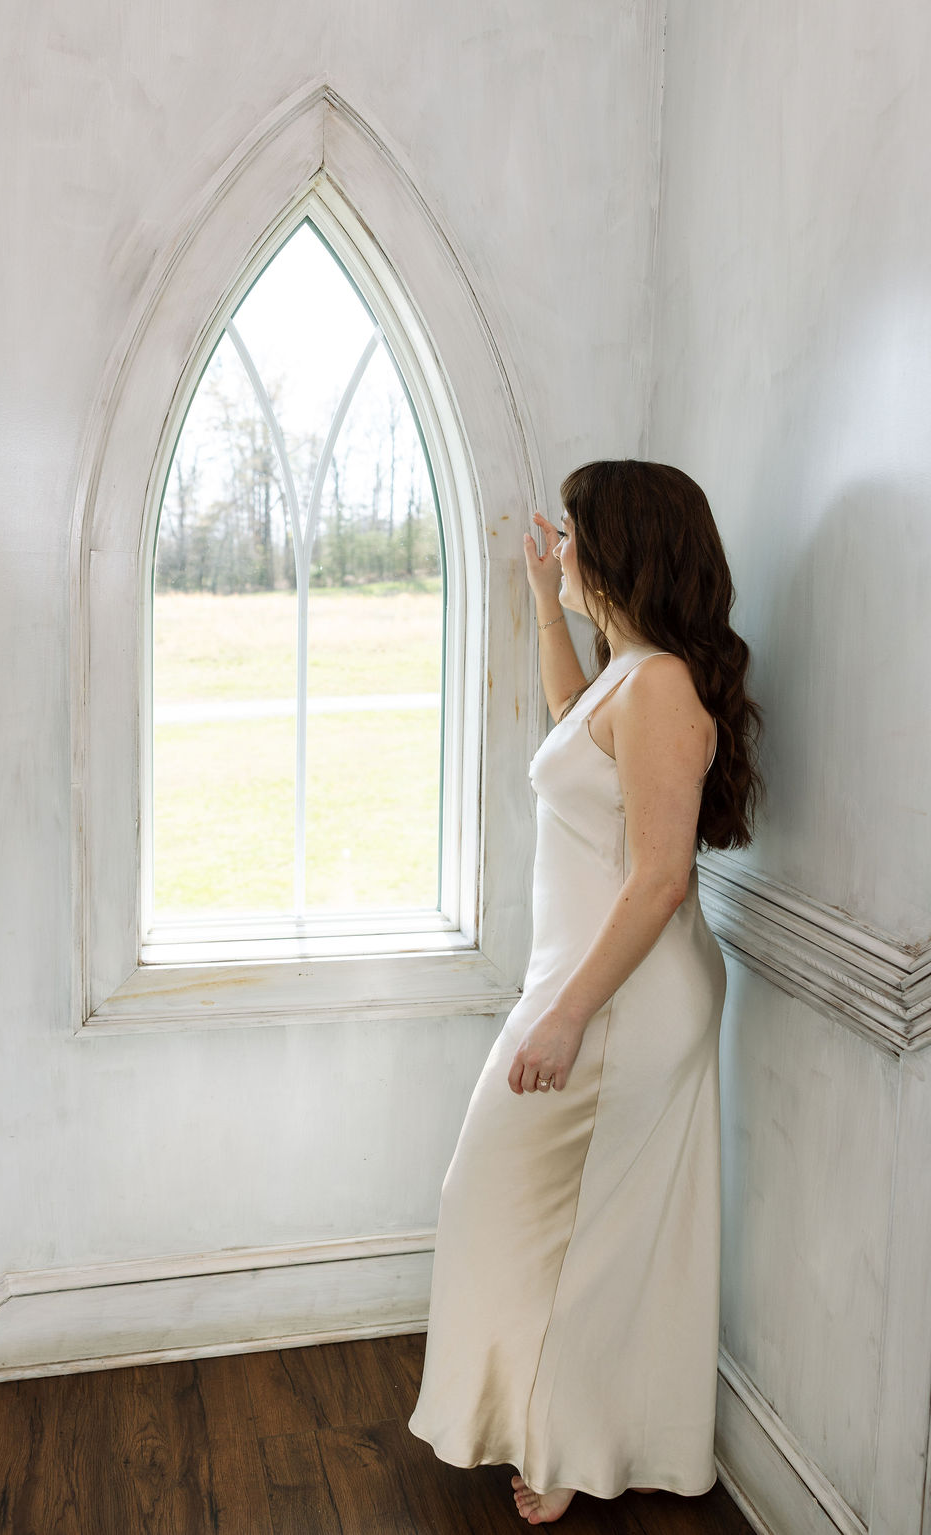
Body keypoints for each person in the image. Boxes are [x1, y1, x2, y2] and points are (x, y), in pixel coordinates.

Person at [408, 460, 763, 1525]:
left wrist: (565, 1013)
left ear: (616, 548)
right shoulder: (628, 673)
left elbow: (659, 877)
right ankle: (556, 1416)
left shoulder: (658, 685)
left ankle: (571, 1441)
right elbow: (576, 731)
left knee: (594, 1229)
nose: (557, 549)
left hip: (623, 998)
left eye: (567, 538)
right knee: (525, 1209)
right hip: (593, 985)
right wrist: (536, 599)